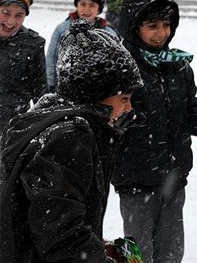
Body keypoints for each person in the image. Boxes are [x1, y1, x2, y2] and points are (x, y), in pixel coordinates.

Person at [112, 0, 197, 263]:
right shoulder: (121, 66)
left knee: (171, 253)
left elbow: (189, 112)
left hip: (173, 178)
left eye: (166, 25)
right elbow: (109, 118)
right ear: (134, 25)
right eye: (152, 26)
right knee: (136, 253)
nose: (161, 33)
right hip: (134, 181)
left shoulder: (177, 64)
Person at [0, 19, 144, 262]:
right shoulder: (69, 138)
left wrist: (98, 246)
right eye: (124, 98)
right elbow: (58, 234)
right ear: (96, 94)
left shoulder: (51, 121)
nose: (128, 108)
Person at [47, 0, 116, 90]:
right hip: (66, 88)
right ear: (77, 5)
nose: (86, 10)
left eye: (92, 5)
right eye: (82, 4)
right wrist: (51, 84)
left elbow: (116, 62)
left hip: (99, 90)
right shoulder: (62, 29)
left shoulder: (108, 33)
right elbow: (51, 59)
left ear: (98, 10)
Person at [0, 0, 46, 133]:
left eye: (18, 15)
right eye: (5, 12)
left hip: (11, 129)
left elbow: (40, 91)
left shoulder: (33, 44)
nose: (10, 21)